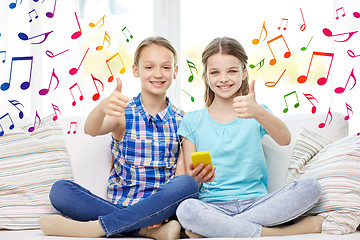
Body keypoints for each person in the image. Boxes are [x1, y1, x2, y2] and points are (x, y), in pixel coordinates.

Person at [39, 36, 199, 239]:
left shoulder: (183, 120)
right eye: (149, 67)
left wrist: (165, 210)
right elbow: (91, 129)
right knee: (60, 190)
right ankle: (144, 230)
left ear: (175, 72)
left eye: (166, 68)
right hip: (120, 205)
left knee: (187, 184)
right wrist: (101, 108)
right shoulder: (124, 113)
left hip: (162, 209)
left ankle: (98, 228)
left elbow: (180, 175)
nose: (158, 74)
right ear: (136, 70)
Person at [176, 36, 324, 238]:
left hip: (258, 203)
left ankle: (220, 230)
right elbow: (184, 181)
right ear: (206, 76)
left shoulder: (256, 112)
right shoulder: (192, 121)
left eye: (232, 71)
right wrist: (195, 179)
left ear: (244, 73)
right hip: (213, 207)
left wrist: (258, 112)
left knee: (311, 187)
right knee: (186, 210)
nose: (224, 79)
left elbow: (285, 139)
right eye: (215, 72)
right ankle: (277, 232)